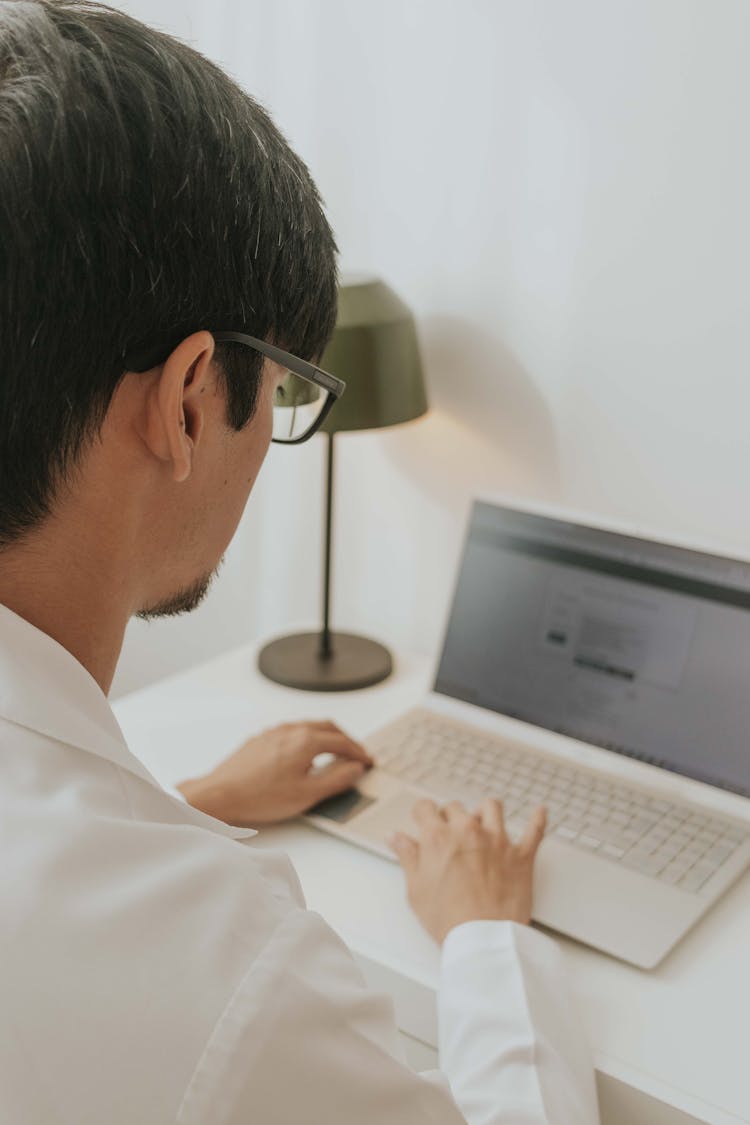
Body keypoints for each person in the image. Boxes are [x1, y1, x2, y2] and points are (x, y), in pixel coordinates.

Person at [0, 2, 600, 1122]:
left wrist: (187, 802)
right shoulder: (227, 972)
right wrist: (485, 938)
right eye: (279, 395)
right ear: (187, 404)